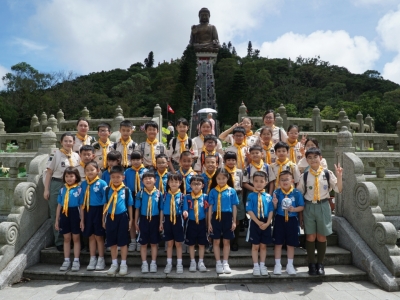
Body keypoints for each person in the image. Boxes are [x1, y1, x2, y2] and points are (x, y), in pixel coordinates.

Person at [296, 148, 343, 276]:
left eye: (315, 157)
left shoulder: (327, 174)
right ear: (307, 160)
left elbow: (338, 190)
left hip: (323, 206)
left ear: (320, 158)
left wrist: (339, 177)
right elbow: (299, 194)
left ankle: (320, 264)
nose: (313, 159)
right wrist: (299, 214)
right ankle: (311, 264)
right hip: (309, 207)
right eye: (309, 157)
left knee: (322, 236)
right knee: (310, 236)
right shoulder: (304, 176)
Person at [44, 132, 80, 251]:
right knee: (57, 212)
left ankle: (73, 239)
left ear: (74, 142)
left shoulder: (76, 156)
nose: (68, 143)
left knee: (73, 212)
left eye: (70, 141)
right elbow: (49, 172)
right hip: (58, 183)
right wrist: (46, 189)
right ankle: (59, 241)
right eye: (66, 141)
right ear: (61, 142)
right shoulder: (56, 154)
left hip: (73, 185)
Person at [102, 165, 133, 276]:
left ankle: (123, 264)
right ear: (110, 178)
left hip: (123, 217)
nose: (115, 179)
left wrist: (131, 220)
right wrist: (103, 219)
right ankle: (114, 264)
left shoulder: (126, 190)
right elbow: (105, 205)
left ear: (123, 177)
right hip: (110, 217)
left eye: (118, 177)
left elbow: (129, 206)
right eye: (113, 177)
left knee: (123, 242)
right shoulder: (107, 190)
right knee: (112, 242)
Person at [272, 170, 304, 275]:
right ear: (279, 182)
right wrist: (275, 204)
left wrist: (293, 209)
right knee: (278, 243)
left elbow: (302, 206)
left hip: (292, 219)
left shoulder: (296, 193)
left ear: (292, 180)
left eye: (287, 179)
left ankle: (290, 265)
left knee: (291, 243)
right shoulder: (277, 192)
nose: (284, 181)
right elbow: (274, 209)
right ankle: (277, 265)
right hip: (280, 219)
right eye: (282, 180)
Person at [208, 168, 239, 274]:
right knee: (216, 240)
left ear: (228, 178)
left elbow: (234, 207)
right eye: (219, 178)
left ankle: (225, 262)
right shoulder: (213, 191)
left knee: (226, 241)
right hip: (216, 216)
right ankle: (218, 263)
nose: (221, 181)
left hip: (227, 216)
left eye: (223, 178)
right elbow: (210, 207)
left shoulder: (232, 191)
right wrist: (209, 223)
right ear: (215, 179)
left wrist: (234, 221)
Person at [80, 161, 108, 271]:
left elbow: (105, 202)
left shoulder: (102, 183)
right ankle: (93, 258)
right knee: (91, 236)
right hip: (87, 211)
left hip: (99, 210)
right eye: (87, 170)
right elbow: (81, 202)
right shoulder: (83, 184)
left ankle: (101, 258)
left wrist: (103, 218)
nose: (90, 172)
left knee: (99, 236)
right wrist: (82, 219)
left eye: (92, 170)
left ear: (98, 170)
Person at [245, 171, 273, 276]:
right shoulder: (251, 196)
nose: (259, 183)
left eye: (261, 181)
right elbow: (249, 210)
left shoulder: (268, 197)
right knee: (255, 246)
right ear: (252, 182)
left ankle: (262, 265)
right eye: (256, 181)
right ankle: (255, 266)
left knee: (263, 246)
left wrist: (268, 222)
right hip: (255, 221)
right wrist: (258, 222)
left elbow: (271, 210)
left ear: (266, 182)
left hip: (266, 221)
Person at [55, 167, 82, 272]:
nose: (69, 178)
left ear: (76, 177)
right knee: (66, 238)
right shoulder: (62, 190)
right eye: (67, 176)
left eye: (71, 176)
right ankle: (66, 260)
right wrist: (57, 220)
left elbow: (82, 206)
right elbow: (59, 205)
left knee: (76, 238)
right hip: (64, 214)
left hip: (75, 213)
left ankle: (76, 260)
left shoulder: (79, 189)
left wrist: (82, 220)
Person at [135, 171, 163, 273]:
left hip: (155, 219)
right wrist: (136, 222)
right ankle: (144, 263)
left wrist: (160, 223)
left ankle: (153, 263)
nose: (148, 180)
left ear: (155, 180)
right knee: (143, 243)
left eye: (150, 178)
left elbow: (161, 210)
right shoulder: (140, 193)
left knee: (154, 243)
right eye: (145, 178)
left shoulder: (159, 193)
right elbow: (137, 208)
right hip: (143, 219)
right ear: (142, 181)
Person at [159, 173, 185, 274]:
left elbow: (184, 208)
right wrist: (161, 222)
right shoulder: (164, 195)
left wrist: (185, 212)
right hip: (167, 219)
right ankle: (169, 263)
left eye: (176, 181)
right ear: (168, 183)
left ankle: (179, 264)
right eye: (172, 181)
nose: (174, 183)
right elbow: (161, 209)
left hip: (178, 220)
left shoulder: (183, 196)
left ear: (180, 183)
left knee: (178, 244)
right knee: (169, 243)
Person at [183, 175, 209, 272]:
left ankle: (201, 262)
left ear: (203, 185)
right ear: (190, 185)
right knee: (191, 244)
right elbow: (185, 208)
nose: (196, 186)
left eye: (198, 184)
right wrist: (185, 212)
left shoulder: (205, 197)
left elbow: (207, 211)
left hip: (202, 222)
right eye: (194, 184)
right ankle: (192, 261)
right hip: (191, 222)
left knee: (202, 244)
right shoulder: (187, 197)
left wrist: (207, 223)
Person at [124, 151, 148, 252]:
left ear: (142, 160)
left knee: (142, 218)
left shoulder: (146, 171)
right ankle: (133, 240)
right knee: (132, 218)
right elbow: (124, 185)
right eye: (133, 160)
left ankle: (140, 240)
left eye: (138, 159)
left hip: (144, 195)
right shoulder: (127, 172)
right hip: (131, 195)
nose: (136, 162)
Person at [223, 151, 244, 251]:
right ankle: (227, 241)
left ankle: (235, 242)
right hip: (225, 195)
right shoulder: (222, 171)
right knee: (226, 218)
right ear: (225, 161)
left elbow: (241, 185)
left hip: (237, 195)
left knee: (237, 219)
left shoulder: (239, 172)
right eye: (228, 160)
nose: (231, 162)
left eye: (233, 160)